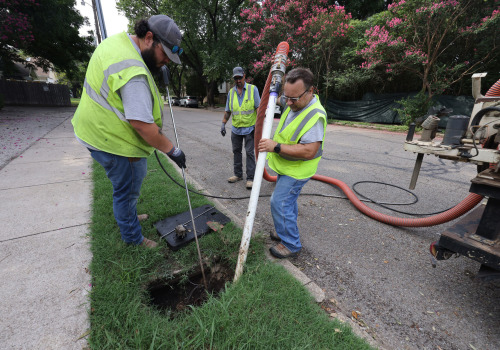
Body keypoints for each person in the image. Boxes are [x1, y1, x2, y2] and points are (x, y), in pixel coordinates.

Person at [72, 15, 186, 249]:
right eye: (164, 55)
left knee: (126, 187)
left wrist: (158, 62)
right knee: (127, 189)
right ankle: (133, 239)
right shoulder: (133, 71)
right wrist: (172, 151)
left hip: (95, 130)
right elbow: (142, 125)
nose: (165, 62)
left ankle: (129, 214)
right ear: (149, 38)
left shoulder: (119, 44)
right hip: (112, 140)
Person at [258, 68, 327, 259]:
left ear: (310, 91)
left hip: (297, 170)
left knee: (279, 202)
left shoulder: (315, 116)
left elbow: (309, 151)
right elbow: (280, 100)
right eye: (286, 97)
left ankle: (291, 243)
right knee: (287, 202)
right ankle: (284, 232)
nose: (288, 103)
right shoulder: (294, 101)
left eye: (293, 99)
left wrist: (276, 147)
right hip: (287, 166)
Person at [220, 67, 261, 189]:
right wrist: (223, 123)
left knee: (249, 153)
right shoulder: (231, 93)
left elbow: (258, 108)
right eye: (235, 78)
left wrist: (259, 126)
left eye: (240, 77)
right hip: (236, 128)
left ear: (244, 76)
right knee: (236, 151)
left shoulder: (253, 89)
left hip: (250, 127)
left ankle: (250, 178)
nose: (238, 80)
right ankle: (238, 175)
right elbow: (228, 111)